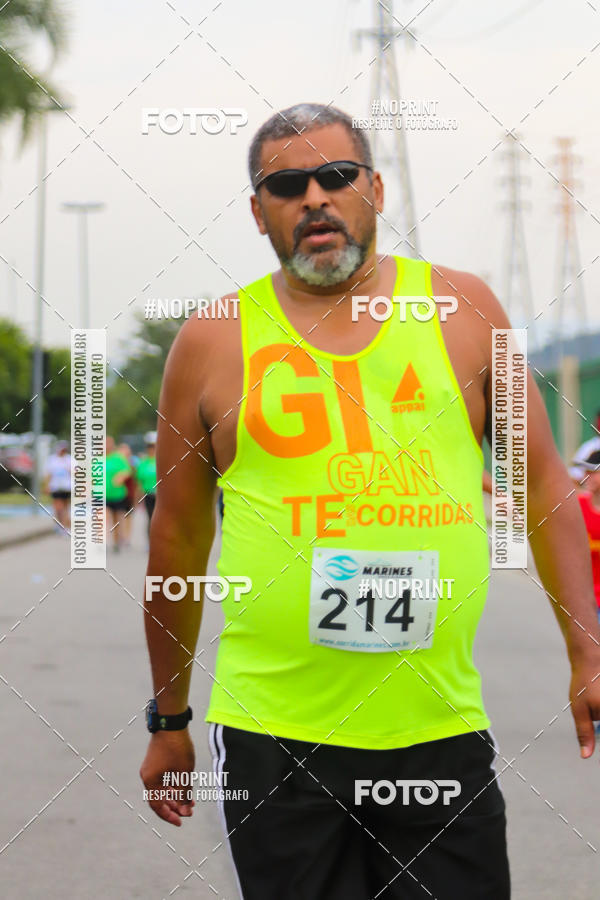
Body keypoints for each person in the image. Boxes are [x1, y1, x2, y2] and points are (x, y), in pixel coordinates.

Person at [140, 104, 600, 900]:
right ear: (259, 213)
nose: (314, 196)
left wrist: (588, 651)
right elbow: (176, 541)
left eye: (336, 176)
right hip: (271, 739)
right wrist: (169, 719)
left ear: (375, 189)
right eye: (286, 185)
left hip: (438, 732)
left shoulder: (464, 311)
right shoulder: (212, 341)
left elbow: (541, 483)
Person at [577, 449, 600, 618]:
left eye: (593, 472)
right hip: (584, 602)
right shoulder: (576, 507)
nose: (587, 477)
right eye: (586, 472)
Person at [104, 436, 131, 552]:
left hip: (117, 494)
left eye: (108, 443)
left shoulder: (118, 458)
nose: (106, 446)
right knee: (103, 517)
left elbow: (127, 470)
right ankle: (103, 541)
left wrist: (121, 477)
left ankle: (116, 542)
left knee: (115, 519)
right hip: (102, 493)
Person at [43, 440, 72, 534]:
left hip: (66, 487)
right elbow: (49, 474)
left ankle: (65, 526)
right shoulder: (52, 459)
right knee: (58, 507)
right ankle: (60, 525)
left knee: (65, 508)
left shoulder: (69, 459)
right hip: (55, 486)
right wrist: (47, 486)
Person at [136, 432, 158, 537]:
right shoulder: (143, 462)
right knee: (151, 517)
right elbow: (140, 481)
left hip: (161, 495)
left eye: (153, 446)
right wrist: (137, 499)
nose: (151, 449)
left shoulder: (161, 460)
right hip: (148, 494)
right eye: (150, 447)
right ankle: (151, 540)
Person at [118, 442, 137, 546]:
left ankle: (127, 537)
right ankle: (120, 536)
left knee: (128, 516)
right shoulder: (117, 463)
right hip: (118, 494)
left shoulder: (132, 463)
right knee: (119, 515)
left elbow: (135, 479)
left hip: (129, 494)